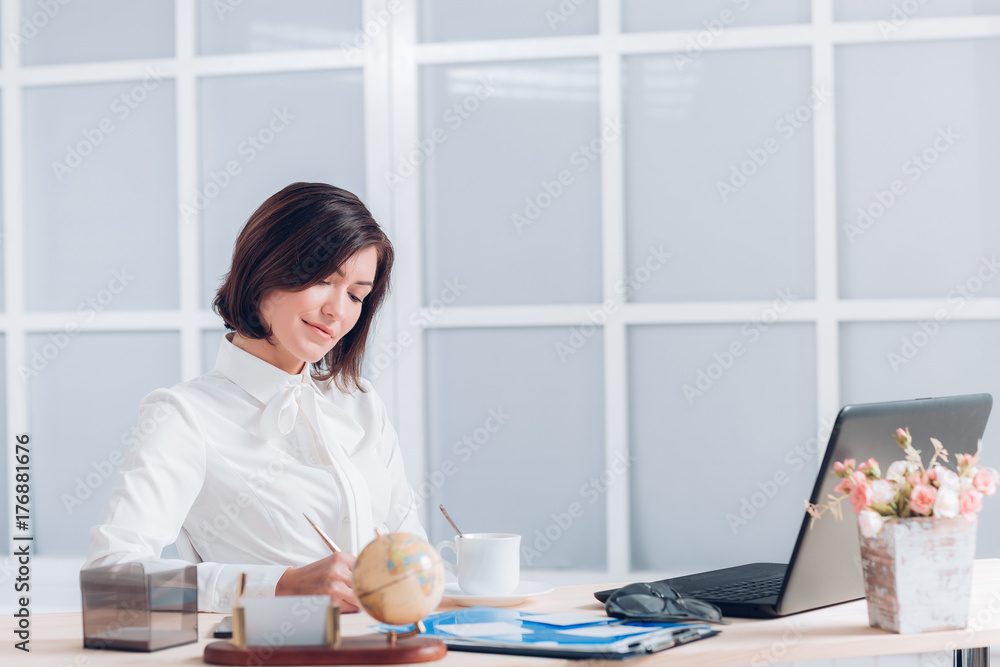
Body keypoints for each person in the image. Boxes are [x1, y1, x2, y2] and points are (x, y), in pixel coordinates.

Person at [84, 182, 424, 613]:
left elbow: (412, 551)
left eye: (357, 294)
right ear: (266, 268)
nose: (339, 311)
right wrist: (277, 585)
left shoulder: (360, 403)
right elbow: (110, 581)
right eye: (324, 279)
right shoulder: (185, 416)